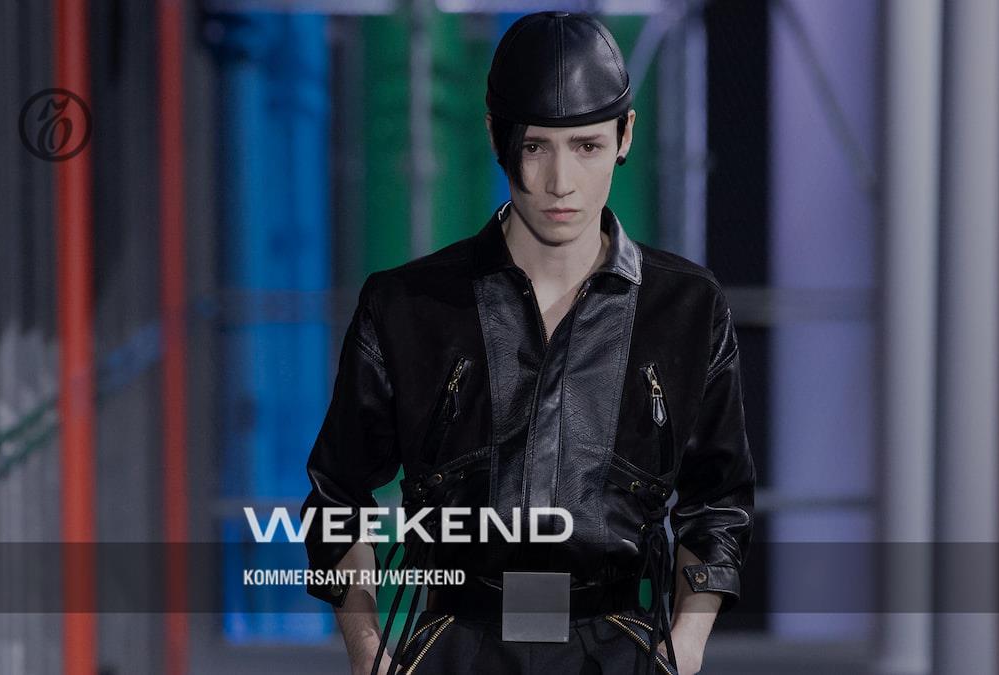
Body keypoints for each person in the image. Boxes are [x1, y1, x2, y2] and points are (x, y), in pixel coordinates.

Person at [302, 11, 755, 675]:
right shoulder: (407, 306)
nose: (560, 182)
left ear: (625, 135)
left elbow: (718, 498)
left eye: (587, 146)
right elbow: (336, 495)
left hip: (619, 648)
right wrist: (367, 651)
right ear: (497, 137)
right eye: (537, 146)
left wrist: (685, 649)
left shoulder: (685, 307)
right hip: (455, 646)